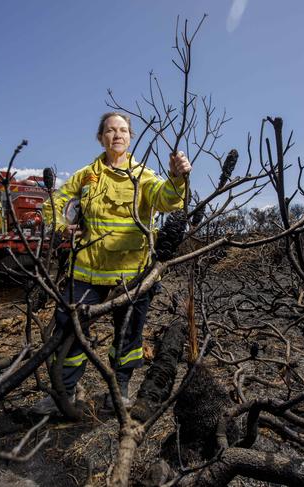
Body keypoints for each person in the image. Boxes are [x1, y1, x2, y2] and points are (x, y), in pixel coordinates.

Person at [32, 112, 191, 414]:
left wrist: (177, 176)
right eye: (109, 130)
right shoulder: (86, 175)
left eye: (122, 130)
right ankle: (63, 393)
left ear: (130, 136)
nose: (116, 135)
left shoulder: (144, 175)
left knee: (129, 336)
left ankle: (119, 391)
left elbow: (168, 200)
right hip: (85, 273)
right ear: (100, 137)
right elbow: (52, 203)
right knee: (69, 330)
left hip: (132, 276)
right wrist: (59, 224)